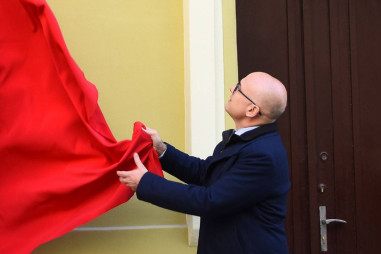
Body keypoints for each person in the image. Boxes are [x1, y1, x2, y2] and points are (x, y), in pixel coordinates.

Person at [117, 71, 291, 253]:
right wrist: (162, 150)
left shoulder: (263, 155)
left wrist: (145, 183)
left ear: (252, 110)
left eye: (239, 88)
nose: (232, 88)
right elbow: (205, 173)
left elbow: (211, 201)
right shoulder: (246, 141)